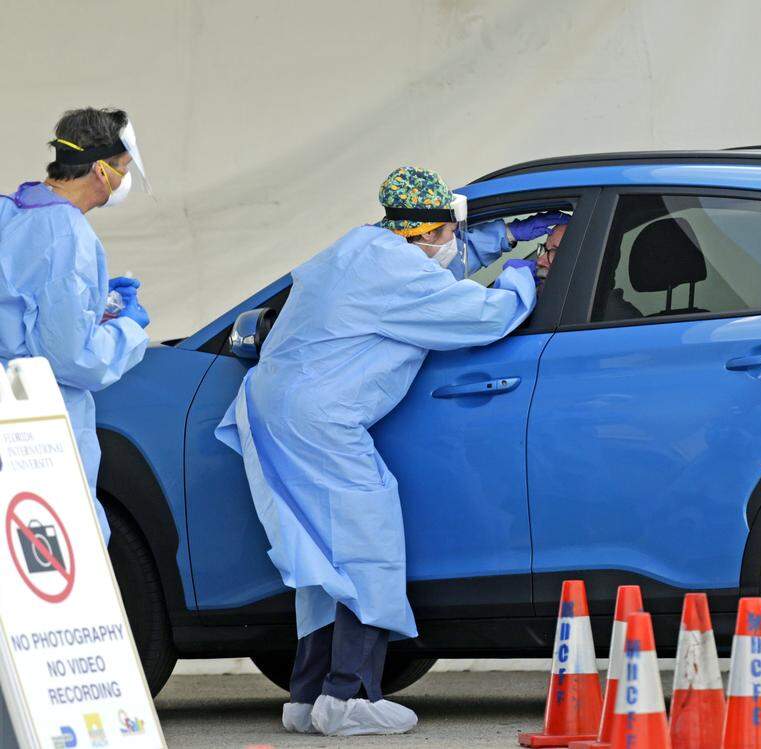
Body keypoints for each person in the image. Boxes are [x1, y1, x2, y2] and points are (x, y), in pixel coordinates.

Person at [215, 166, 566, 737]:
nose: (453, 238)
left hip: (275, 406)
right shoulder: (398, 274)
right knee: (365, 547)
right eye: (449, 228)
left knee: (321, 556)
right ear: (426, 230)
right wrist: (522, 276)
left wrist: (503, 236)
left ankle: (307, 698)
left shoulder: (364, 246)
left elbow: (433, 264)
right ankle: (349, 697)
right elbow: (483, 317)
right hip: (319, 420)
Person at [0, 107, 152, 543]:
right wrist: (128, 328)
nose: (124, 181)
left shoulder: (13, 209)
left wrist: (93, 308)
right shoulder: (68, 236)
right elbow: (71, 358)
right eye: (123, 170)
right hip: (39, 428)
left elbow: (23, 305)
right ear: (101, 172)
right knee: (65, 553)